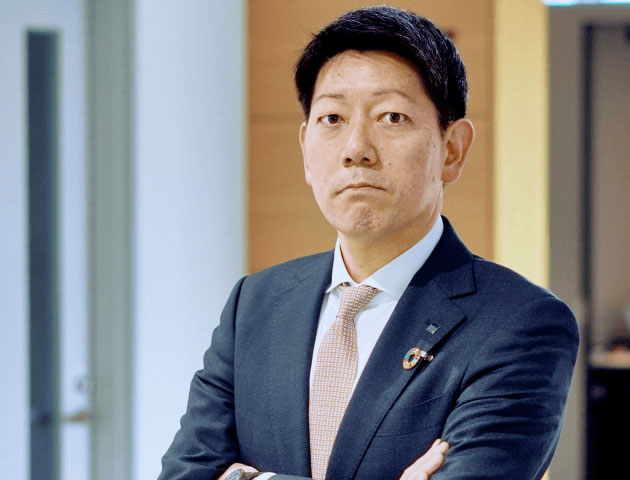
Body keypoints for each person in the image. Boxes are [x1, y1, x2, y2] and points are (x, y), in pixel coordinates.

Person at [158, 6, 579, 480]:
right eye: (332, 118)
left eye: (392, 117)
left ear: (452, 149)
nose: (356, 149)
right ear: (306, 150)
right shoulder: (254, 304)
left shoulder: (521, 322)